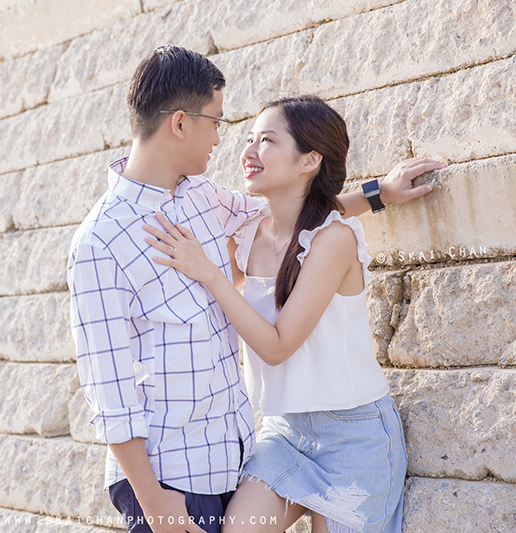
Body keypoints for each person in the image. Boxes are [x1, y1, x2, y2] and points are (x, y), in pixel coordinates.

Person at [68, 45, 441, 533]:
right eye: (218, 123)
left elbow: (294, 214)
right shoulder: (100, 242)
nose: (225, 143)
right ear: (180, 124)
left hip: (274, 447)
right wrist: (153, 503)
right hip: (176, 478)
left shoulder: (203, 199)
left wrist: (379, 195)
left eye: (258, 138)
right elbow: (109, 392)